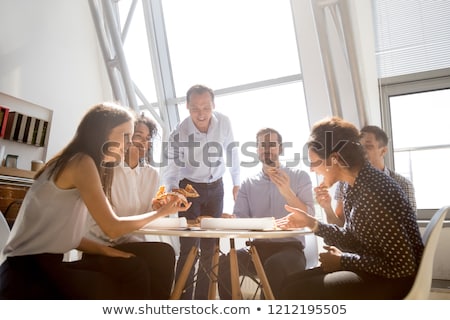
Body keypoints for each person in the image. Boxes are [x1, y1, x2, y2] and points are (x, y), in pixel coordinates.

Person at [0, 103, 190, 299]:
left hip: (42, 265)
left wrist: (107, 252)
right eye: (126, 136)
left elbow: (66, 235)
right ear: (103, 133)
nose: (128, 145)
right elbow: (112, 228)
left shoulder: (79, 162)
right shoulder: (81, 163)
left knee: (153, 258)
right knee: (135, 272)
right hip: (26, 274)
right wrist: (162, 212)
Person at [277, 116, 424, 299]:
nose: (312, 169)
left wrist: (344, 260)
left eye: (315, 162)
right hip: (374, 270)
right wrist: (311, 223)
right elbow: (351, 238)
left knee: (294, 291)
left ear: (335, 159)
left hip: (395, 280)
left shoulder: (376, 191)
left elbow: (402, 266)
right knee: (286, 283)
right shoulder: (350, 185)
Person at [83, 113, 175, 299]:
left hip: (134, 244)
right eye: (138, 136)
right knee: (163, 254)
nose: (143, 142)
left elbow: (150, 217)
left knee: (163, 254)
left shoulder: (151, 175)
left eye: (147, 139)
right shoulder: (105, 170)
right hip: (103, 244)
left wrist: (160, 209)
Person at [162, 84, 240, 299]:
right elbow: (172, 169)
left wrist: (236, 182)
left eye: (206, 107)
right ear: (187, 107)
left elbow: (232, 153)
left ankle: (203, 301)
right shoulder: (179, 132)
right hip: (190, 189)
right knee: (189, 248)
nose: (201, 113)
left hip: (217, 188)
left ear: (213, 105)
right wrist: (173, 193)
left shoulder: (223, 122)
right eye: (195, 108)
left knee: (211, 248)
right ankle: (182, 301)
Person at [217, 128, 315, 299]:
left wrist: (287, 192)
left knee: (273, 266)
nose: (267, 149)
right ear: (257, 150)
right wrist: (232, 219)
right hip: (257, 250)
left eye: (272, 144)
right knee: (225, 263)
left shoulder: (300, 176)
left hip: (290, 250)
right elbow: (241, 220)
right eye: (262, 145)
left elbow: (310, 217)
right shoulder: (248, 184)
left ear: (281, 148)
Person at [316, 124, 417, 226]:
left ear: (383, 151)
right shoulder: (345, 182)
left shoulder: (403, 184)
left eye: (369, 146)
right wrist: (327, 208)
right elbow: (340, 225)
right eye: (359, 147)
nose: (362, 151)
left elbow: (408, 226)